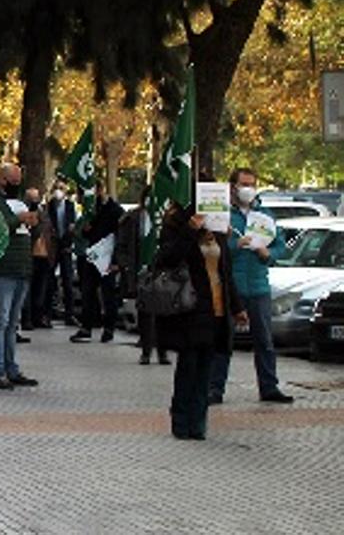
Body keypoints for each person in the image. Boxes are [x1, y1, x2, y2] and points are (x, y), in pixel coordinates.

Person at [154, 205, 247, 440]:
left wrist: (237, 308)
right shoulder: (179, 229)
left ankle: (198, 423)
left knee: (206, 368)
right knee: (189, 365)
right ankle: (181, 421)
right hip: (192, 308)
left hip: (217, 309)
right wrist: (190, 231)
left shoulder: (219, 234)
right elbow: (168, 259)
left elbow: (226, 274)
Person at [209, 168, 294, 404]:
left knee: (264, 341)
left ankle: (269, 387)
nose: (248, 189)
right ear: (233, 187)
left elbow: (280, 246)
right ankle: (215, 389)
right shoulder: (223, 215)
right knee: (224, 340)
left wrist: (269, 253)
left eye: (252, 184)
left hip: (258, 286)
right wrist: (235, 244)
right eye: (244, 184)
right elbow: (213, 249)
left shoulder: (265, 215)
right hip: (231, 288)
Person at [0, 164, 39, 390]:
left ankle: (11, 367)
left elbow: (33, 229)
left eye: (19, 179)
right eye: (13, 180)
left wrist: (33, 216)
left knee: (12, 323)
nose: (17, 184)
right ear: (2, 179)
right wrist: (20, 219)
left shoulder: (20, 200)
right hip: (2, 268)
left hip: (21, 268)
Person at [116, 187, 169, 365]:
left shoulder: (166, 217)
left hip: (163, 272)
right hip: (141, 271)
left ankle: (162, 351)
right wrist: (124, 264)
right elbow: (122, 243)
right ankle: (146, 350)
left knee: (163, 313)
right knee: (145, 312)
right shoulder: (133, 218)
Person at [70, 180, 125, 343]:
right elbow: (89, 234)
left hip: (108, 258)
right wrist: (86, 230)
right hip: (93, 256)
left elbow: (121, 237)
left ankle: (109, 328)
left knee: (108, 294)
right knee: (87, 292)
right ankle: (86, 326)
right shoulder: (91, 211)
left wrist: (116, 260)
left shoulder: (115, 210)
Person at [24, 187, 56, 330]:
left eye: (36, 198)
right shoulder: (25, 213)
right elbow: (35, 229)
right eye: (32, 198)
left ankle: (39, 317)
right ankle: (27, 319)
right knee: (28, 291)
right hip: (30, 255)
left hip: (44, 255)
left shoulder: (44, 213)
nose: (35, 201)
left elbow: (49, 230)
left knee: (41, 289)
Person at [47, 181, 77, 323]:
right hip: (52, 247)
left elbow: (73, 227)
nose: (58, 191)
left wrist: (70, 242)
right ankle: (48, 312)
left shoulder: (70, 206)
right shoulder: (49, 205)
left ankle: (69, 314)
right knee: (49, 280)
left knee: (68, 281)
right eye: (56, 188)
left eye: (61, 189)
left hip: (65, 247)